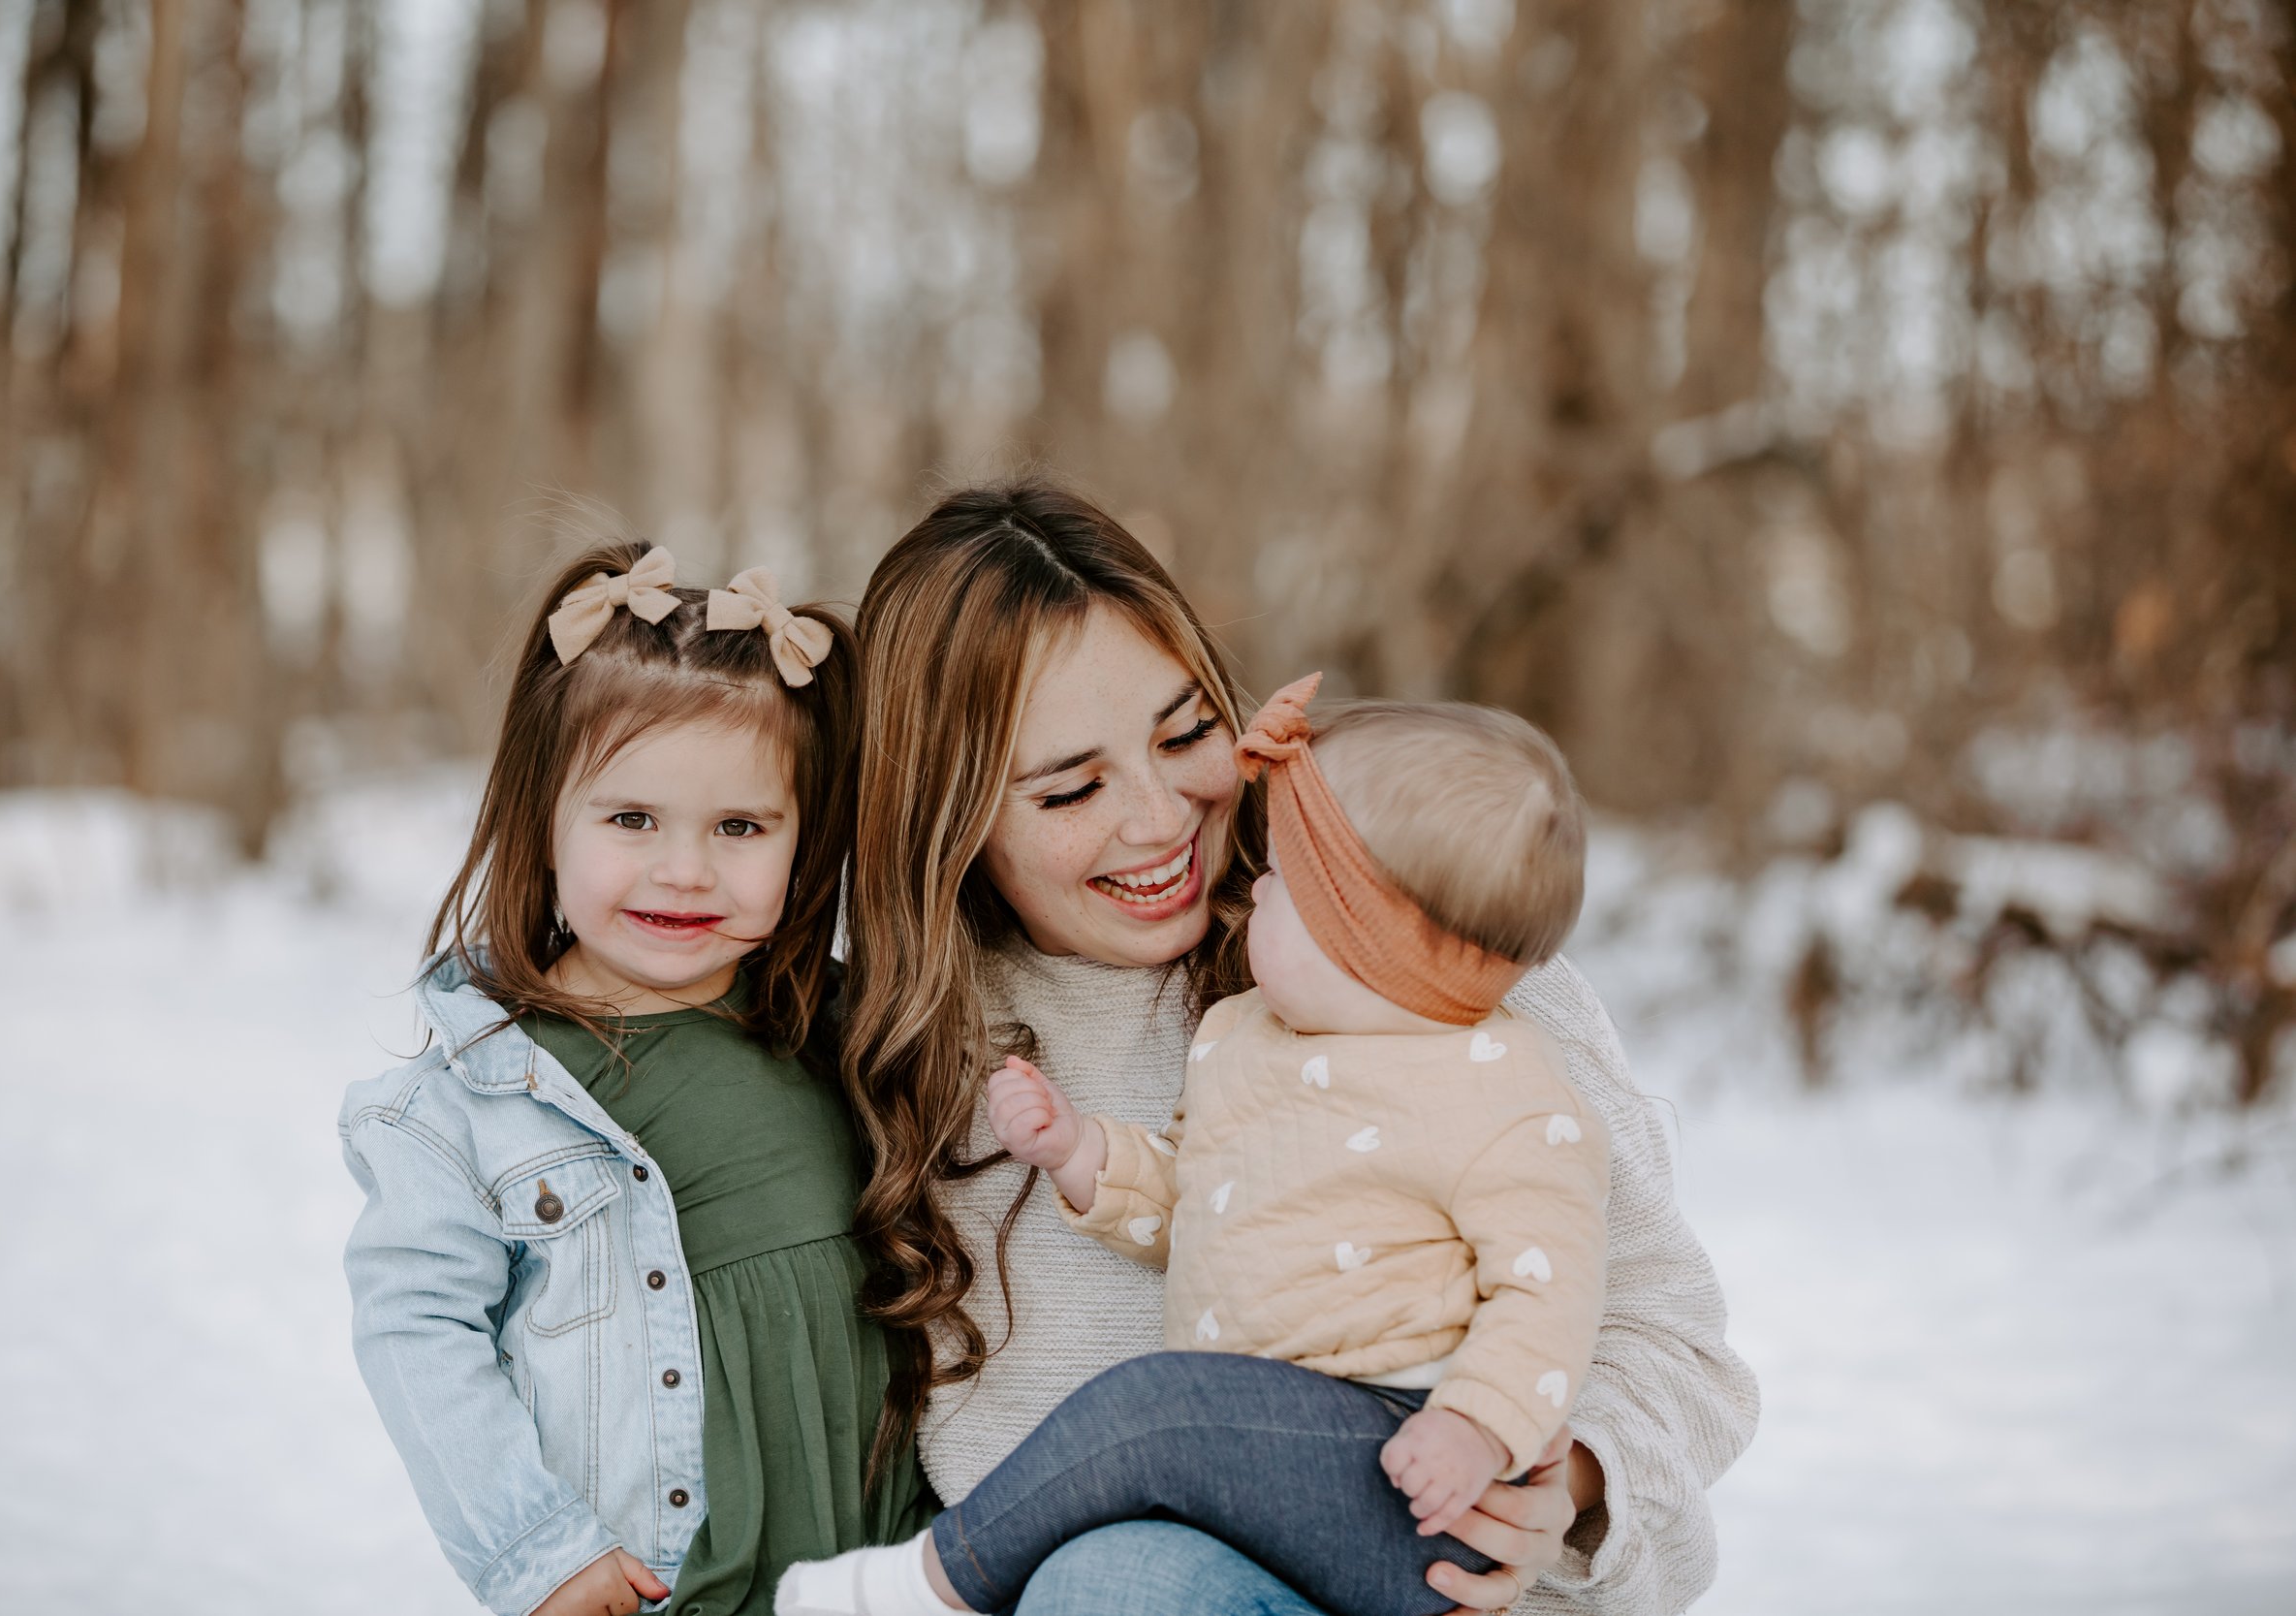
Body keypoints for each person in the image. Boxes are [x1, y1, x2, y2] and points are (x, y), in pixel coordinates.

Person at [838, 481, 1760, 1616]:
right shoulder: (913, 1060)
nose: (1161, 817)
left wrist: (1565, 1478)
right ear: (947, 817)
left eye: (1186, 734)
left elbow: (1673, 1342)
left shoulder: (1429, 963)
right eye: (1072, 787)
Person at [781, 677, 1610, 1616]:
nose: (1255, 884)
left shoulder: (1498, 1086)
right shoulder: (1246, 1036)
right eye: (1068, 787)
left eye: (1286, 883)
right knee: (1115, 1561)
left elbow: (1551, 1291)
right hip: (1251, 1473)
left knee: (1151, 1407)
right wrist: (1080, 1152)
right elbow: (1200, 1203)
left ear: (1373, 944)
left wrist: (1480, 1427)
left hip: (1413, 1463)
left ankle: (935, 1581)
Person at [338, 543, 929, 1616]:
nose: (686, 870)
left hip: (881, 1569)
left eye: (740, 827)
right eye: (631, 819)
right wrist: (537, 1550)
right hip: (659, 1580)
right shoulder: (469, 1105)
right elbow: (416, 1334)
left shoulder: (844, 1034)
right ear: (543, 819)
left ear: (803, 839)